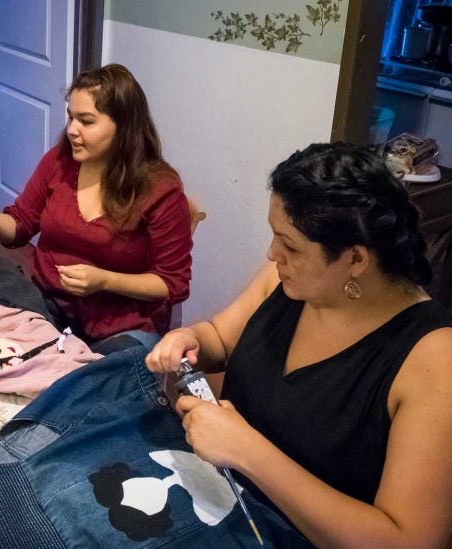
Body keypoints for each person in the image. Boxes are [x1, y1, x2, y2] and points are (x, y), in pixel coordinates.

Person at [146, 143, 452, 547]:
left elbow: (407, 541)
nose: (273, 254)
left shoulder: (434, 359)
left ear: (355, 260)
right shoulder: (290, 280)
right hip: (226, 504)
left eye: (289, 246)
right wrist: (188, 339)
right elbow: (220, 338)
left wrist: (248, 453)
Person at [0, 64, 192, 352]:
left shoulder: (159, 188)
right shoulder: (58, 163)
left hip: (124, 325)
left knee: (91, 387)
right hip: (50, 306)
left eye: (87, 121)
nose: (72, 130)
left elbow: (173, 283)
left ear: (125, 127)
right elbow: (19, 228)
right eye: (71, 117)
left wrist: (105, 280)